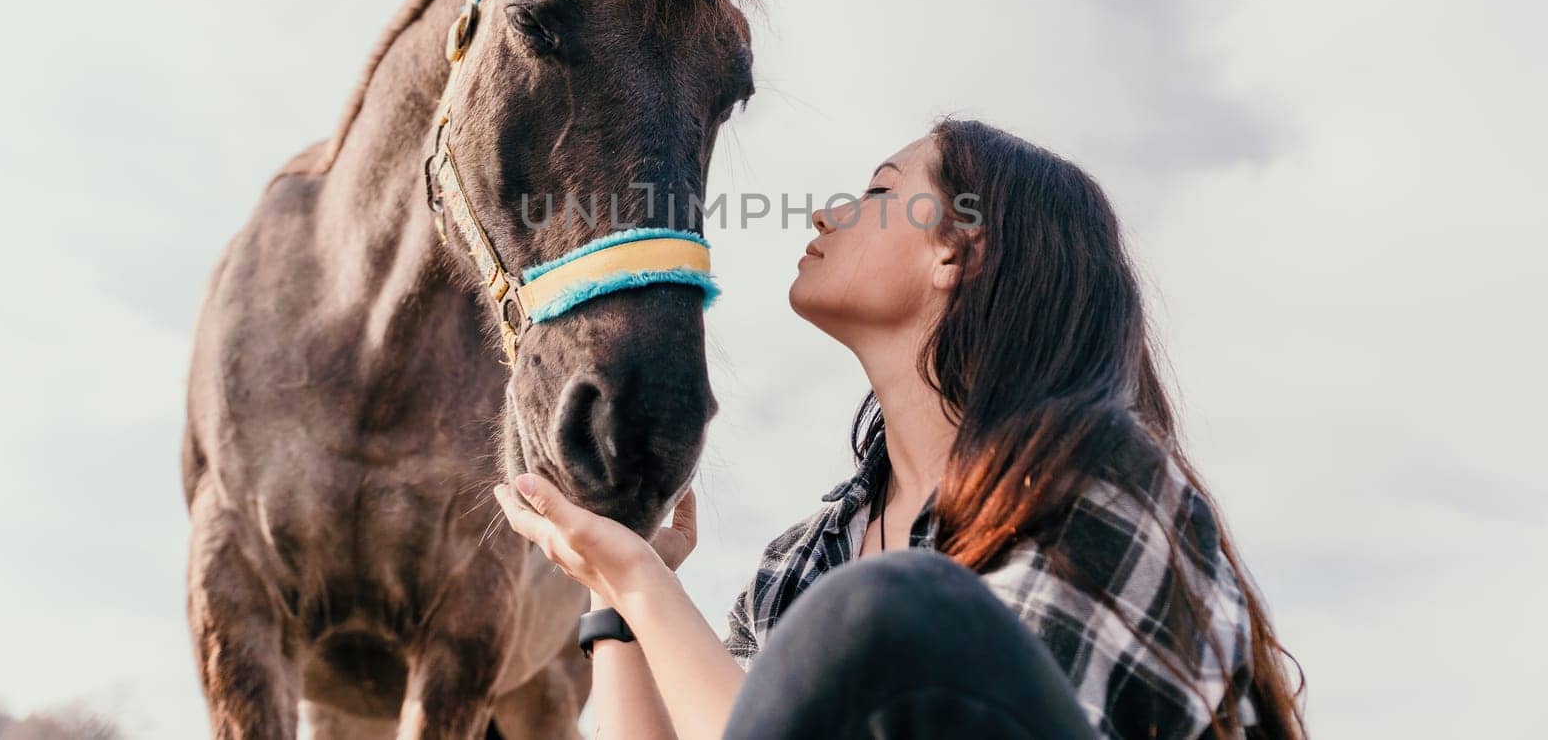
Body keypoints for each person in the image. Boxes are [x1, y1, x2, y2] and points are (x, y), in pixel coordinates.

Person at [494, 118, 1308, 739]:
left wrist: (646, 581)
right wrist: (619, 600)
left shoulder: (1096, 483)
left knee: (888, 612)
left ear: (956, 252)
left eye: (880, 192)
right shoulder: (809, 555)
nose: (825, 213)